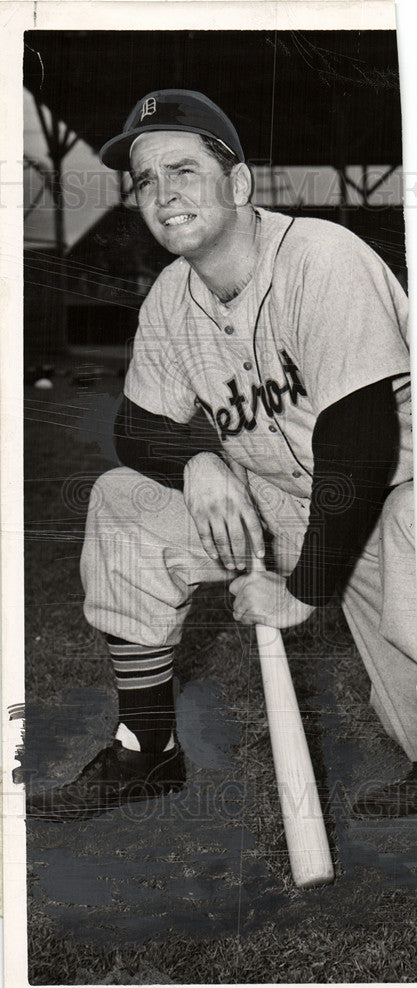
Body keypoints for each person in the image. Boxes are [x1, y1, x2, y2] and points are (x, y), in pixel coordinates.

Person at [27, 89, 417, 822]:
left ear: (236, 184)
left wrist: (298, 592)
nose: (162, 194)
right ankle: (148, 751)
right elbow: (137, 431)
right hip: (287, 506)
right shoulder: (172, 299)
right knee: (124, 499)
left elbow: (360, 442)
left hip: (392, 495)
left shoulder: (321, 257)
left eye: (182, 170)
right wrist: (197, 462)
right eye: (146, 179)